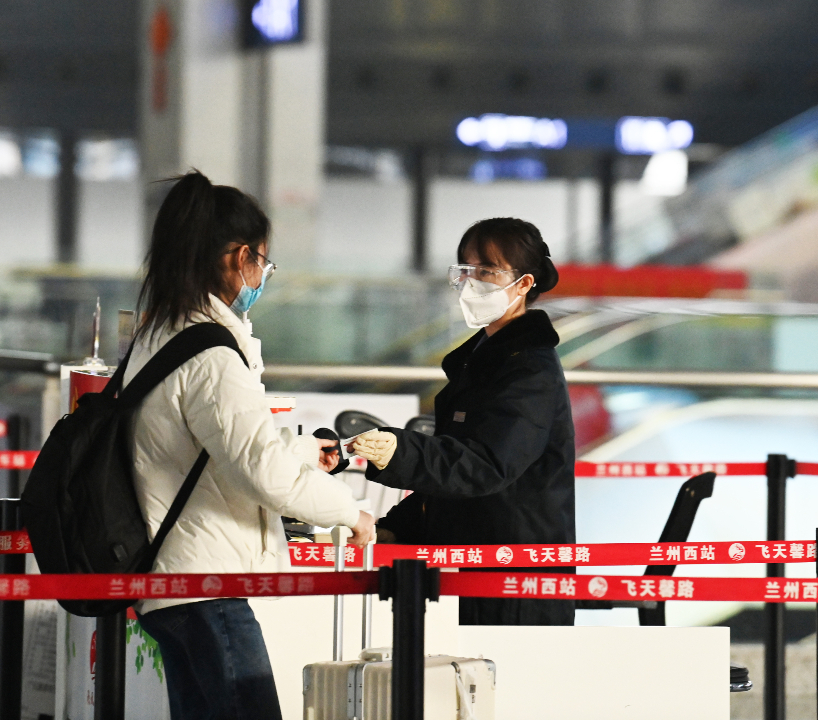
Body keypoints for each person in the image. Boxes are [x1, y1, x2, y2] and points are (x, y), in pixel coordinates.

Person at [128, 171, 374, 720]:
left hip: (169, 578)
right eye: (263, 261)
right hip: (204, 585)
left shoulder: (159, 334)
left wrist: (309, 453)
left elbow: (222, 447)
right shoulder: (211, 354)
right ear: (238, 257)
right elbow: (262, 472)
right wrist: (348, 513)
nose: (263, 274)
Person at [351, 217, 576, 626]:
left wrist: (402, 450)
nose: (472, 282)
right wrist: (396, 529)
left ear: (524, 284)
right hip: (473, 558)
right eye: (465, 270)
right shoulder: (486, 358)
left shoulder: (529, 371)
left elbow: (486, 464)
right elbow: (450, 480)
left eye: (487, 271)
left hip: (512, 575)